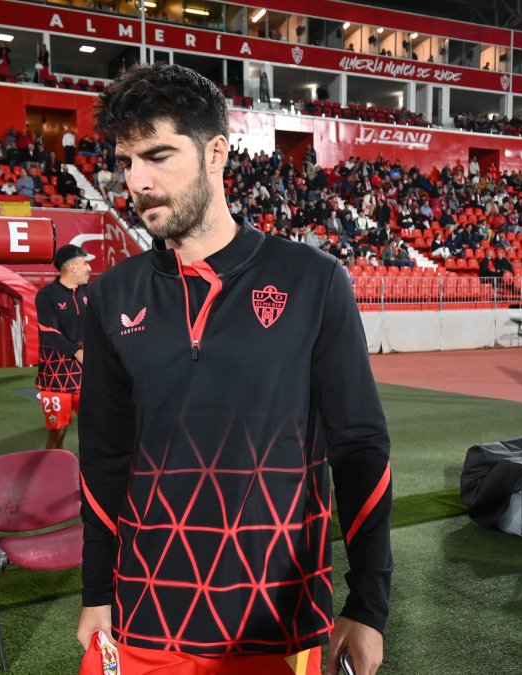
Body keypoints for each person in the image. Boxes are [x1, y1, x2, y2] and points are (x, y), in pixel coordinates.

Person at [77, 63, 391, 675]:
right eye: (126, 161)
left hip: (278, 620)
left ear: (216, 153)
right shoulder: (112, 297)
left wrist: (368, 604)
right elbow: (103, 460)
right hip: (143, 615)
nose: (136, 181)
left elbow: (360, 448)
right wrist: (96, 590)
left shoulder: (313, 280)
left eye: (158, 156)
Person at [35, 243, 90, 448]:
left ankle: (92, 468)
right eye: (85, 263)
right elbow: (49, 332)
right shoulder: (47, 296)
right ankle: (54, 467)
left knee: (96, 429)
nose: (89, 268)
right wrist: (76, 352)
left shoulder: (90, 292)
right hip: (55, 378)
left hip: (87, 376)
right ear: (72, 267)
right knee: (57, 432)